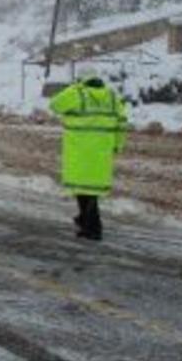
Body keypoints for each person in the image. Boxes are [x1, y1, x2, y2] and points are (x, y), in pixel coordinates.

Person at [49, 66, 128, 241]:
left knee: (82, 188)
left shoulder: (77, 94)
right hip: (102, 152)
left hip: (80, 151)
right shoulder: (113, 96)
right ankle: (85, 220)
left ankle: (92, 228)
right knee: (91, 189)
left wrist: (74, 87)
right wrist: (118, 145)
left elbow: (54, 104)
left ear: (81, 80)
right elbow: (122, 123)